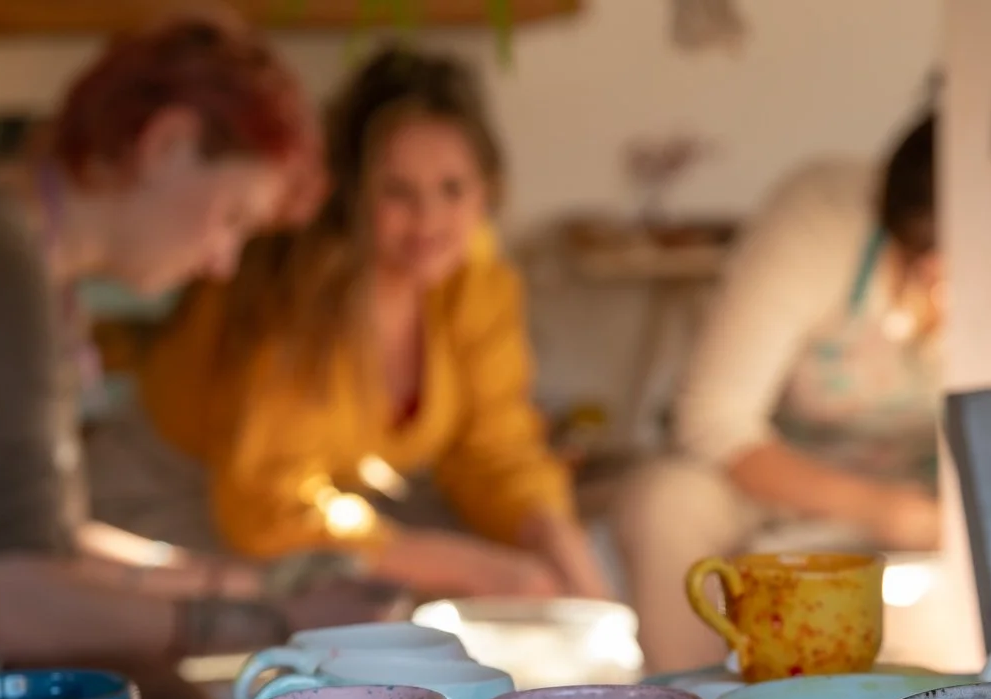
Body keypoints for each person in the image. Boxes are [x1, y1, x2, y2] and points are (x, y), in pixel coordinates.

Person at [0, 14, 394, 699]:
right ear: (167, 143)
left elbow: (45, 537)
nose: (223, 262)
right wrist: (277, 623)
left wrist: (235, 582)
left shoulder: (15, 242)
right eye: (233, 217)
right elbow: (22, 602)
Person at [93, 46, 611, 601]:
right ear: (353, 193)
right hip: (184, 499)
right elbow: (270, 504)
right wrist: (474, 568)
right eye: (398, 192)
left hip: (340, 507)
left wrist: (552, 537)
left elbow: (494, 449)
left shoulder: (474, 279)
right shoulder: (298, 286)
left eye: (452, 189)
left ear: (487, 190)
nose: (429, 218)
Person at [613, 113, 942, 674]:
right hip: (798, 482)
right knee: (667, 504)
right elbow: (713, 417)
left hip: (938, 497)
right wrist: (885, 511)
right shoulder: (821, 219)